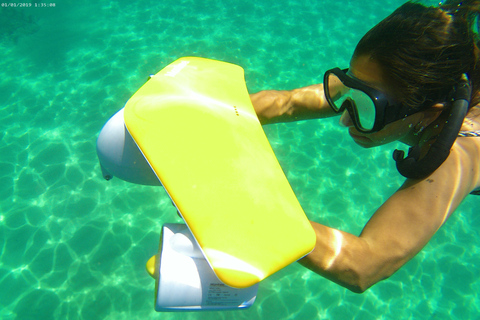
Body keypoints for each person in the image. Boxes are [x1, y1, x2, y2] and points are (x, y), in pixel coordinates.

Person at [250, 0, 480, 293]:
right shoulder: (390, 82)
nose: (345, 119)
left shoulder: (465, 150)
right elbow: (288, 103)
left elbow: (365, 264)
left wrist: (248, 210)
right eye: (348, 88)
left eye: (366, 107)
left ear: (433, 108)